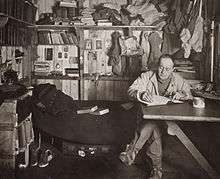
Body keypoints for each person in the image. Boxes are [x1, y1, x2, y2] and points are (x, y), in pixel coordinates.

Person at [119, 54, 192, 179]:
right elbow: (131, 90)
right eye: (161, 67)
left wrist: (182, 95)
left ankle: (132, 151)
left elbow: (189, 93)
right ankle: (157, 170)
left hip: (170, 120)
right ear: (157, 66)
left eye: (167, 69)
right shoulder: (147, 76)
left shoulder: (178, 79)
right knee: (153, 126)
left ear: (173, 69)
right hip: (149, 118)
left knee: (152, 124)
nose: (163, 71)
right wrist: (141, 94)